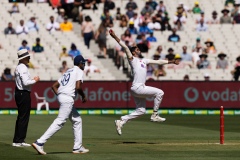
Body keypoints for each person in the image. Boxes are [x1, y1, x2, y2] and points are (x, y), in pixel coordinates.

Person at [109, 29, 179, 135]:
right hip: (138, 87)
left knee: (141, 111)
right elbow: (125, 47)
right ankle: (154, 115)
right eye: (136, 49)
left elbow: (158, 61)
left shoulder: (144, 60)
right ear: (133, 52)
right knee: (160, 92)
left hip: (138, 88)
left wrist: (172, 62)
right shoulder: (132, 60)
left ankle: (122, 121)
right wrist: (115, 36)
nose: (138, 50)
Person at [32, 55, 89, 155]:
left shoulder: (68, 71)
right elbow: (78, 87)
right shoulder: (79, 71)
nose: (84, 64)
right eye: (83, 62)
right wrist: (83, 96)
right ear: (80, 63)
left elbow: (54, 86)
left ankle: (77, 146)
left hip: (62, 96)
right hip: (67, 98)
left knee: (77, 120)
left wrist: (61, 95)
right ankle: (40, 142)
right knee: (60, 122)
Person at [13, 49, 40, 147]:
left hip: (20, 93)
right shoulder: (22, 67)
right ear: (23, 58)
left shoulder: (19, 67)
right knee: (23, 117)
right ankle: (19, 140)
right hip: (23, 93)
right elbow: (25, 83)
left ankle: (18, 139)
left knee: (22, 117)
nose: (29, 58)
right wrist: (35, 80)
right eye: (28, 57)